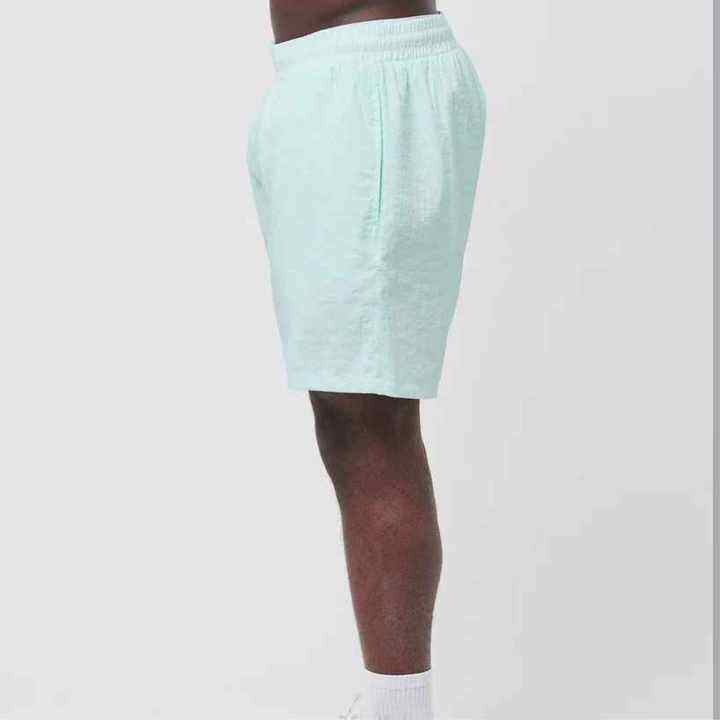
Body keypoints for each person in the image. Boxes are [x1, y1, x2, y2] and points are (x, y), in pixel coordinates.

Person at [247, 2, 487, 718]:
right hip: (327, 82)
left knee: (370, 426)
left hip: (366, 85)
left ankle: (400, 712)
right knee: (347, 424)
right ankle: (392, 704)